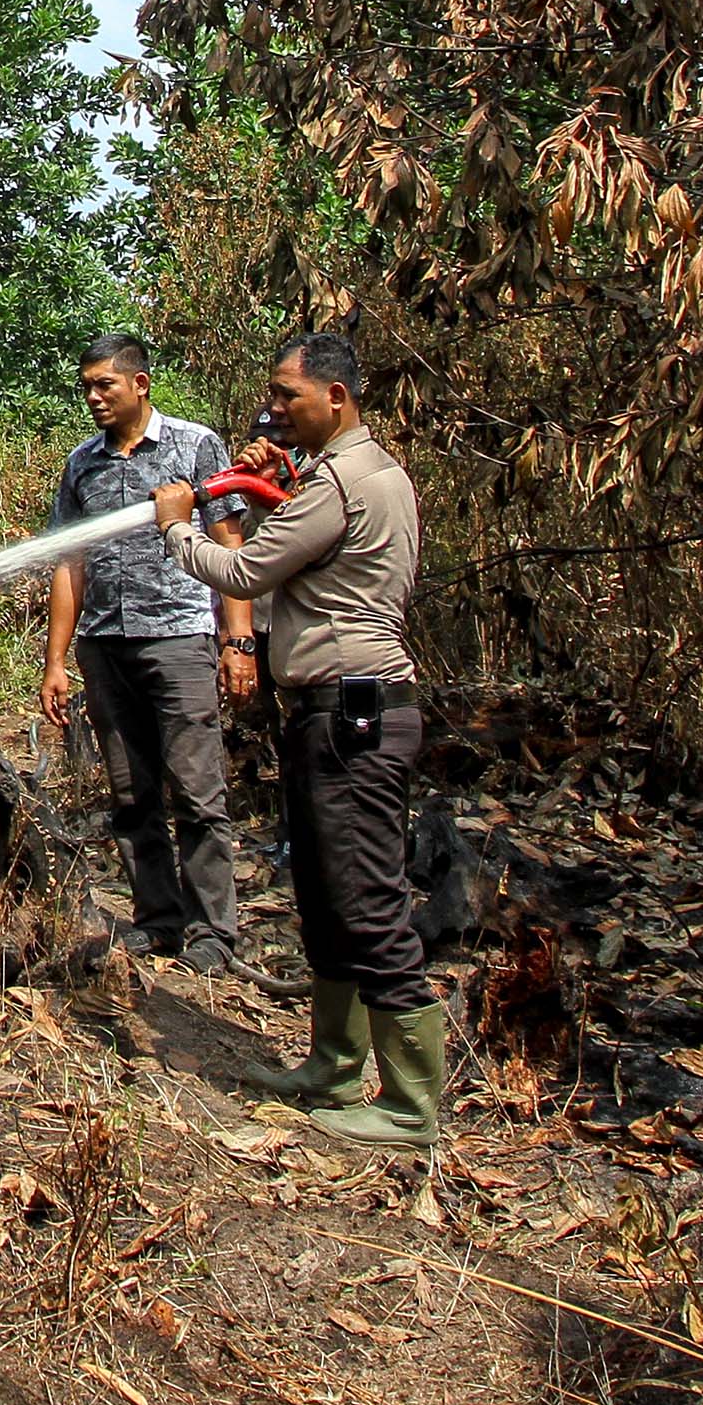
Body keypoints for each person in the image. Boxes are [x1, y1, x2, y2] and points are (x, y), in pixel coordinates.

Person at [154, 328, 441, 1146]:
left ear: (336, 398)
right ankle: (333, 1066)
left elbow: (245, 572)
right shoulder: (358, 473)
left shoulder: (344, 481)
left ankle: (410, 1106)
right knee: (326, 895)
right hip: (337, 710)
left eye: (287, 394)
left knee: (369, 901)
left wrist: (181, 525)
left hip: (356, 711)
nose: (273, 406)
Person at [30, 333, 257, 973]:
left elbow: (229, 541)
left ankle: (215, 931)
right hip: (106, 646)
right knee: (132, 795)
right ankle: (158, 919)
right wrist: (57, 661)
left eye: (105, 384)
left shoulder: (195, 446)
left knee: (197, 789)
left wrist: (237, 641)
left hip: (179, 639)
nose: (94, 397)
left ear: (140, 385)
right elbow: (69, 564)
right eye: (87, 387)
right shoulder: (83, 465)